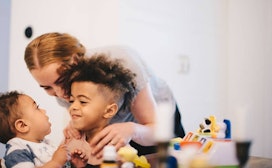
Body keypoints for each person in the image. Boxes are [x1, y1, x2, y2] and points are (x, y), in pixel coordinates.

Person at [24, 32, 185, 156]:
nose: (60, 94)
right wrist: (77, 127)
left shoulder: (124, 63)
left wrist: (132, 130)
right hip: (123, 130)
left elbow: (157, 130)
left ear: (75, 61)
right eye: (47, 88)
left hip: (157, 121)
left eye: (61, 81)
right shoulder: (62, 90)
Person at [58, 54, 138, 166]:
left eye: (83, 101)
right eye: (72, 101)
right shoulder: (70, 142)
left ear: (109, 111)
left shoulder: (121, 152)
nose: (73, 107)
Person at [0, 91, 88, 168]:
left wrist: (73, 164)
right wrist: (56, 162)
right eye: (36, 107)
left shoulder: (45, 144)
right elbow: (55, 164)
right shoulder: (17, 151)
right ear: (22, 125)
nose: (44, 111)